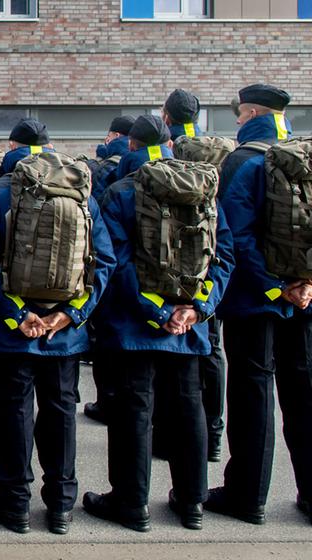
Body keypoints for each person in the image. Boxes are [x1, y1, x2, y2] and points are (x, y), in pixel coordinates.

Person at [83, 114, 234, 532]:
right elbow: (223, 255)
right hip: (189, 325)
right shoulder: (202, 188)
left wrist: (156, 312)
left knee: (134, 410)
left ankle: (131, 504)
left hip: (133, 327)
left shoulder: (121, 191)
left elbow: (116, 263)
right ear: (171, 144)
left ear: (131, 146)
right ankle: (192, 502)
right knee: (188, 408)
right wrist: (197, 309)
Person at [0, 119, 116, 535]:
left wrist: (18, 315)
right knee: (61, 411)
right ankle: (61, 506)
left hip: (14, 330)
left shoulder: (1, 190)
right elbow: (104, 261)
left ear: (13, 147)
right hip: (63, 330)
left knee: (15, 411)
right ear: (51, 147)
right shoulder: (81, 189)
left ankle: (14, 502)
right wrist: (71, 315)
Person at [209, 84, 310, 526]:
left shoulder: (241, 161)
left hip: (255, 301)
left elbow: (235, 235)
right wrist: (303, 285)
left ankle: (247, 496)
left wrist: (274, 287)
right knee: (304, 394)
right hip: (305, 300)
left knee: (253, 395)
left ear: (251, 114)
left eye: (239, 114)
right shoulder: (304, 157)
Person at [160, 89, 228, 462]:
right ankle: (213, 434)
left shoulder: (171, 152)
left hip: (175, 269)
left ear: (166, 117)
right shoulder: (216, 150)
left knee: (177, 362)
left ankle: (170, 435)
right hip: (210, 268)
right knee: (212, 351)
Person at [83, 115, 136, 427]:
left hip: (119, 282)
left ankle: (107, 403)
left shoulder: (105, 170)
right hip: (183, 299)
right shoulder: (181, 172)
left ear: (116, 137)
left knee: (110, 343)